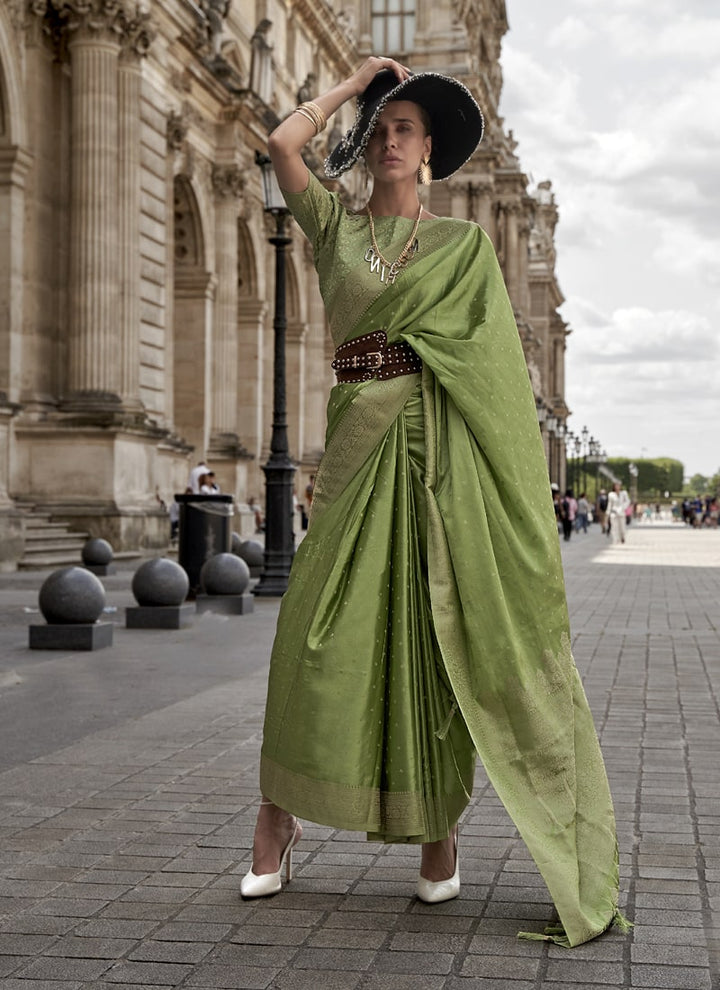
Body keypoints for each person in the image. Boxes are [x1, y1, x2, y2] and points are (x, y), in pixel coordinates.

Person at [242, 57, 626, 948]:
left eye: (404, 129)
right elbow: (280, 142)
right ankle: (278, 820)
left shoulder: (464, 251)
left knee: (432, 645)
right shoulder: (332, 226)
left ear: (429, 155)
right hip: (356, 451)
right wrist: (350, 86)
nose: (388, 139)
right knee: (312, 634)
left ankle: (438, 836)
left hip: (440, 460)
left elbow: (492, 380)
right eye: (380, 128)